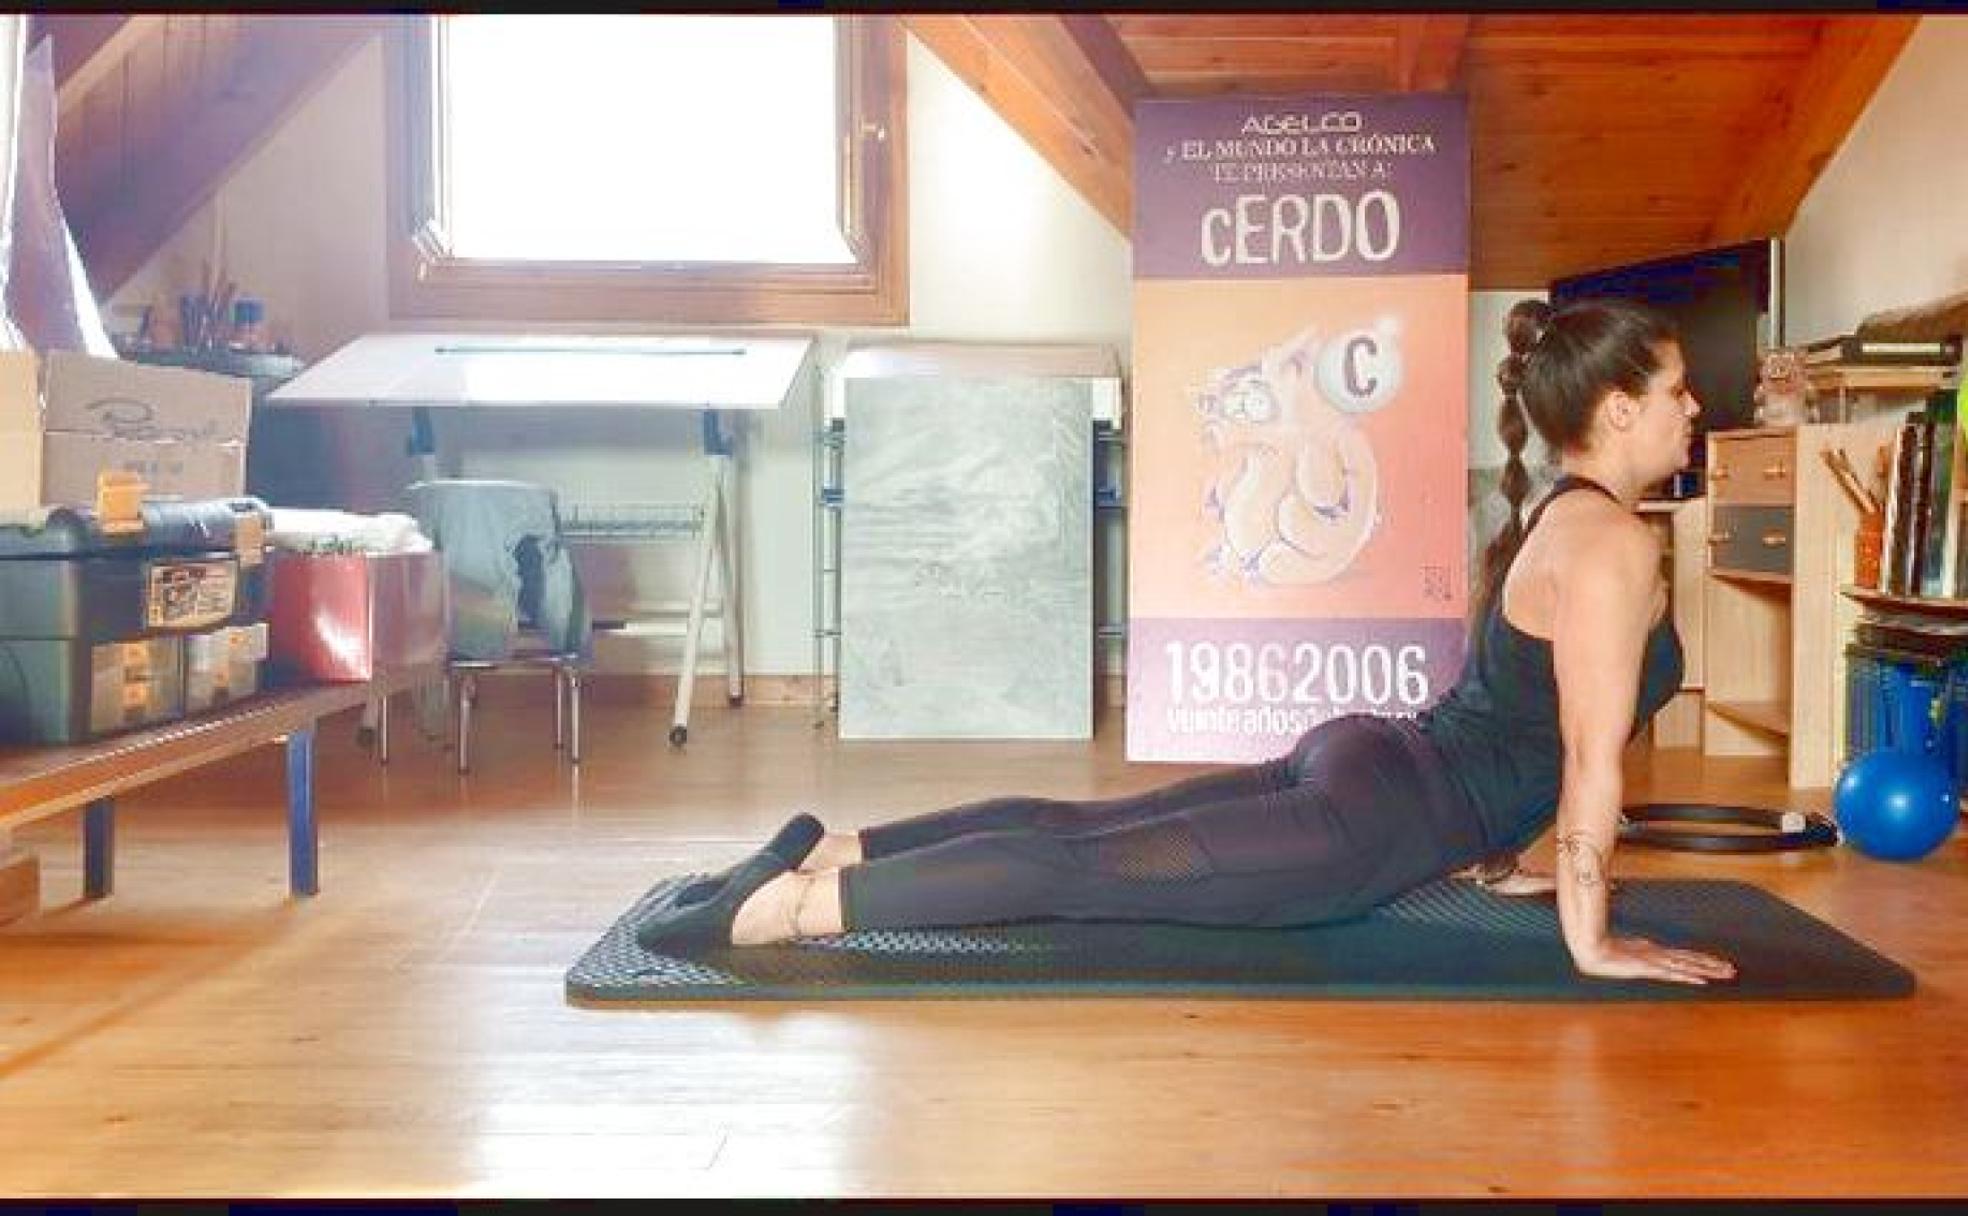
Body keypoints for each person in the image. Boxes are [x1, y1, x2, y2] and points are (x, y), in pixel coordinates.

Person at [637, 297, 1738, 987]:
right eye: (1678, 391)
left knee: (1078, 825)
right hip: (1372, 821)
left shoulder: (1564, 513)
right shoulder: (1614, 543)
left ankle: (832, 849)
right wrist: (1591, 939)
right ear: (1618, 409)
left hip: (1370, 758)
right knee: (1088, 870)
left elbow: (1508, 715)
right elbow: (1585, 756)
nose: (1693, 409)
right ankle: (788, 910)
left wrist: (1499, 857)